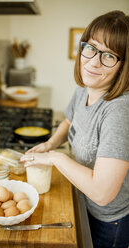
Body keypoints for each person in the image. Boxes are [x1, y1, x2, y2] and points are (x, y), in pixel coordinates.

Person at [20, 10, 129, 248]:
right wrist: (50, 143)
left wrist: (55, 157)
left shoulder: (119, 111)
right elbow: (69, 120)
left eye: (109, 55)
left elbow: (102, 193)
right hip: (83, 198)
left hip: (110, 221)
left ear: (123, 66)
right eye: (91, 48)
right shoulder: (86, 85)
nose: (93, 62)